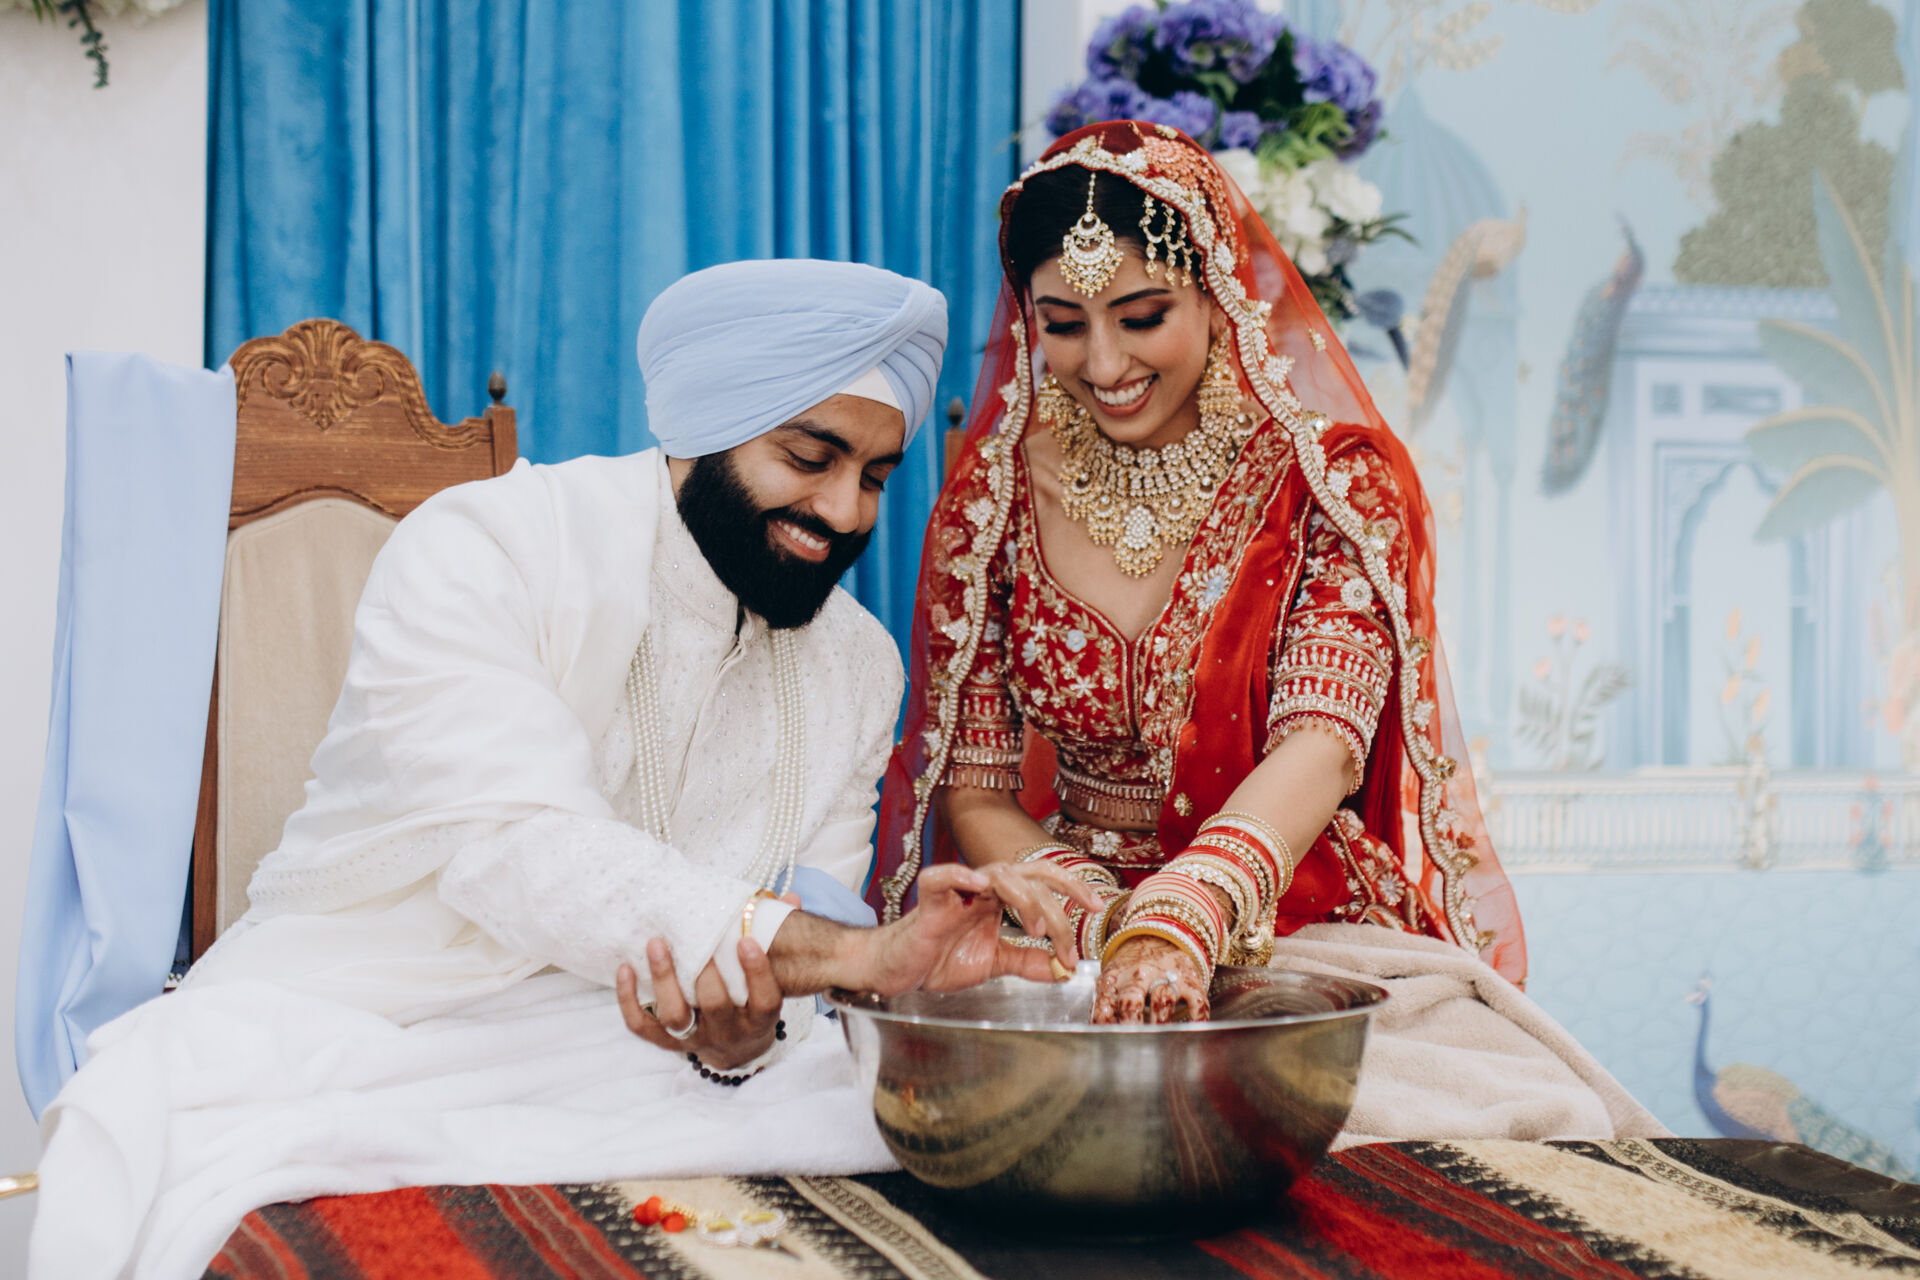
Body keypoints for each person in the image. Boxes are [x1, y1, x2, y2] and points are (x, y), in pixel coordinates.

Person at [29, 258, 1095, 1280]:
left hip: (643, 1071)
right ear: (708, 423)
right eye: (810, 458)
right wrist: (857, 955)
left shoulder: (858, 665)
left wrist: (749, 1028)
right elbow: (517, 850)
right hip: (377, 1025)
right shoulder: (484, 549)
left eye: (875, 476)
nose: (848, 511)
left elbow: (790, 966)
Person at [872, 122, 1528, 1024]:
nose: (1104, 364)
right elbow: (974, 785)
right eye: (1063, 325)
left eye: (1142, 317)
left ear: (1218, 294)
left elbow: (1324, 742)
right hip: (1069, 923)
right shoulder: (993, 503)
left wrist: (1183, 913)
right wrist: (1103, 919)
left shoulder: (1328, 486)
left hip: (1290, 911)